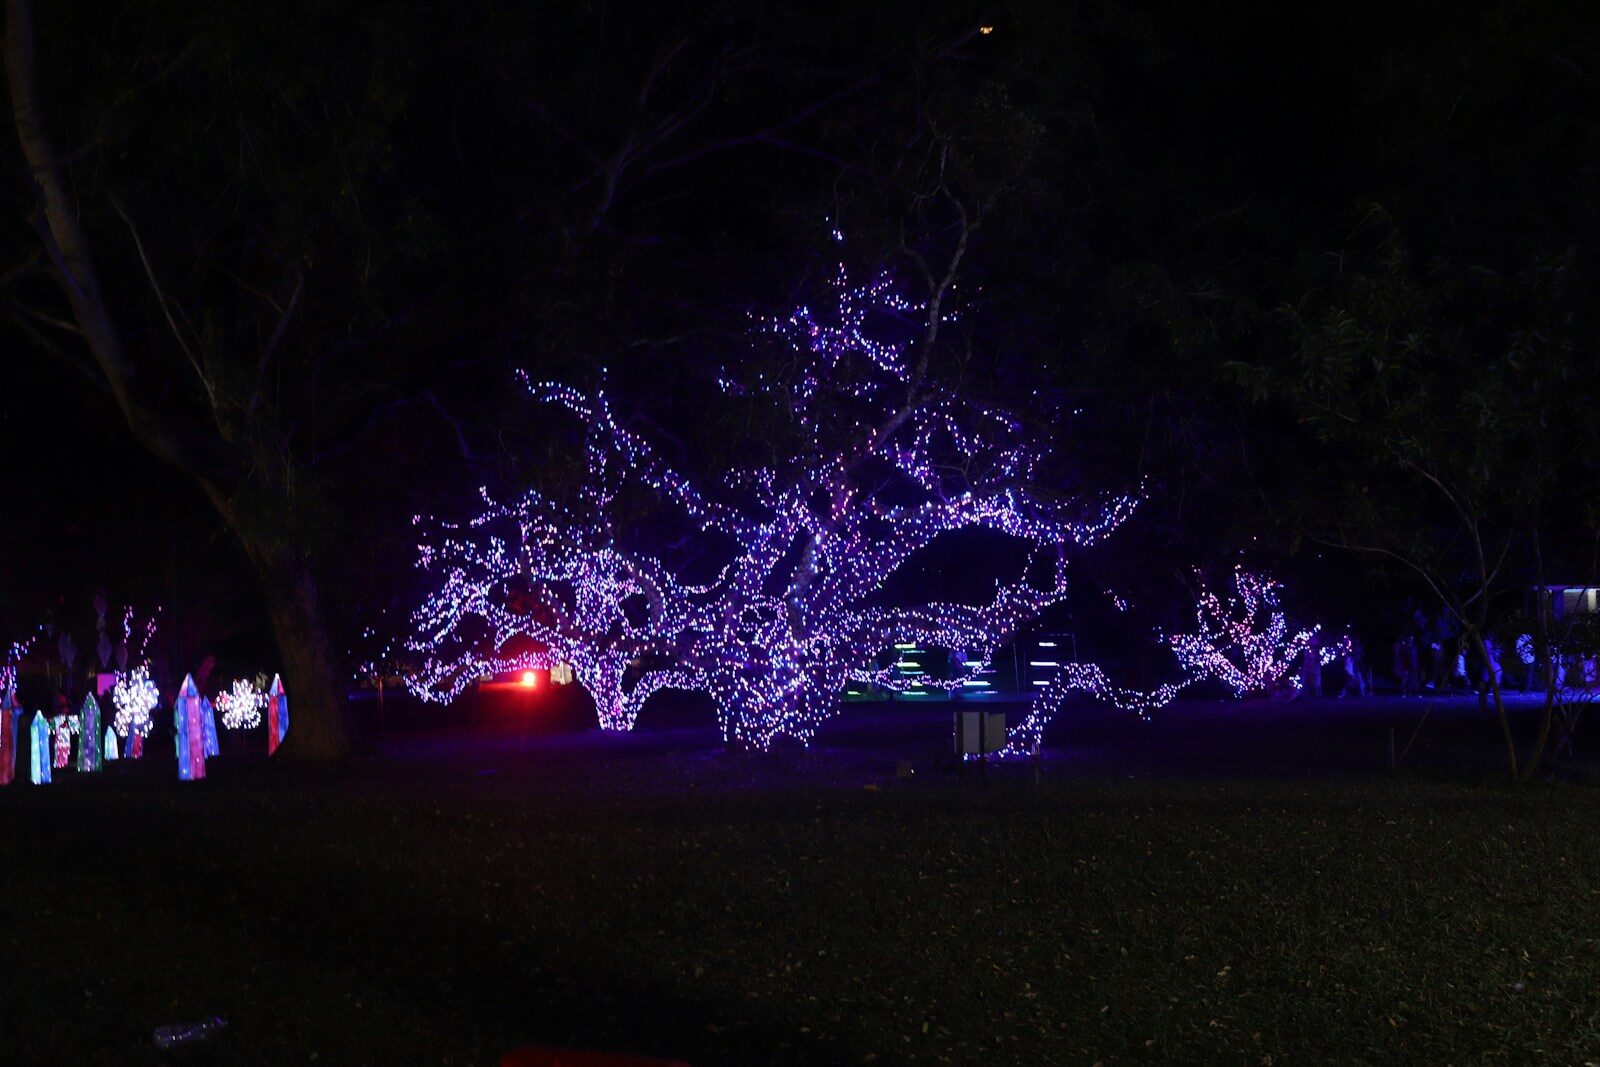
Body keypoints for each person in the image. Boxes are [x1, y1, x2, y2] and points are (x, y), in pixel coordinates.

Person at [1301, 634, 1323, 698]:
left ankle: (1317, 694)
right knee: (1310, 679)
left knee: (1317, 679)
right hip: (1309, 666)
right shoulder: (1308, 652)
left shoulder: (1316, 653)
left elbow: (1317, 658)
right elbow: (1307, 659)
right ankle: (1310, 694)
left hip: (1315, 666)